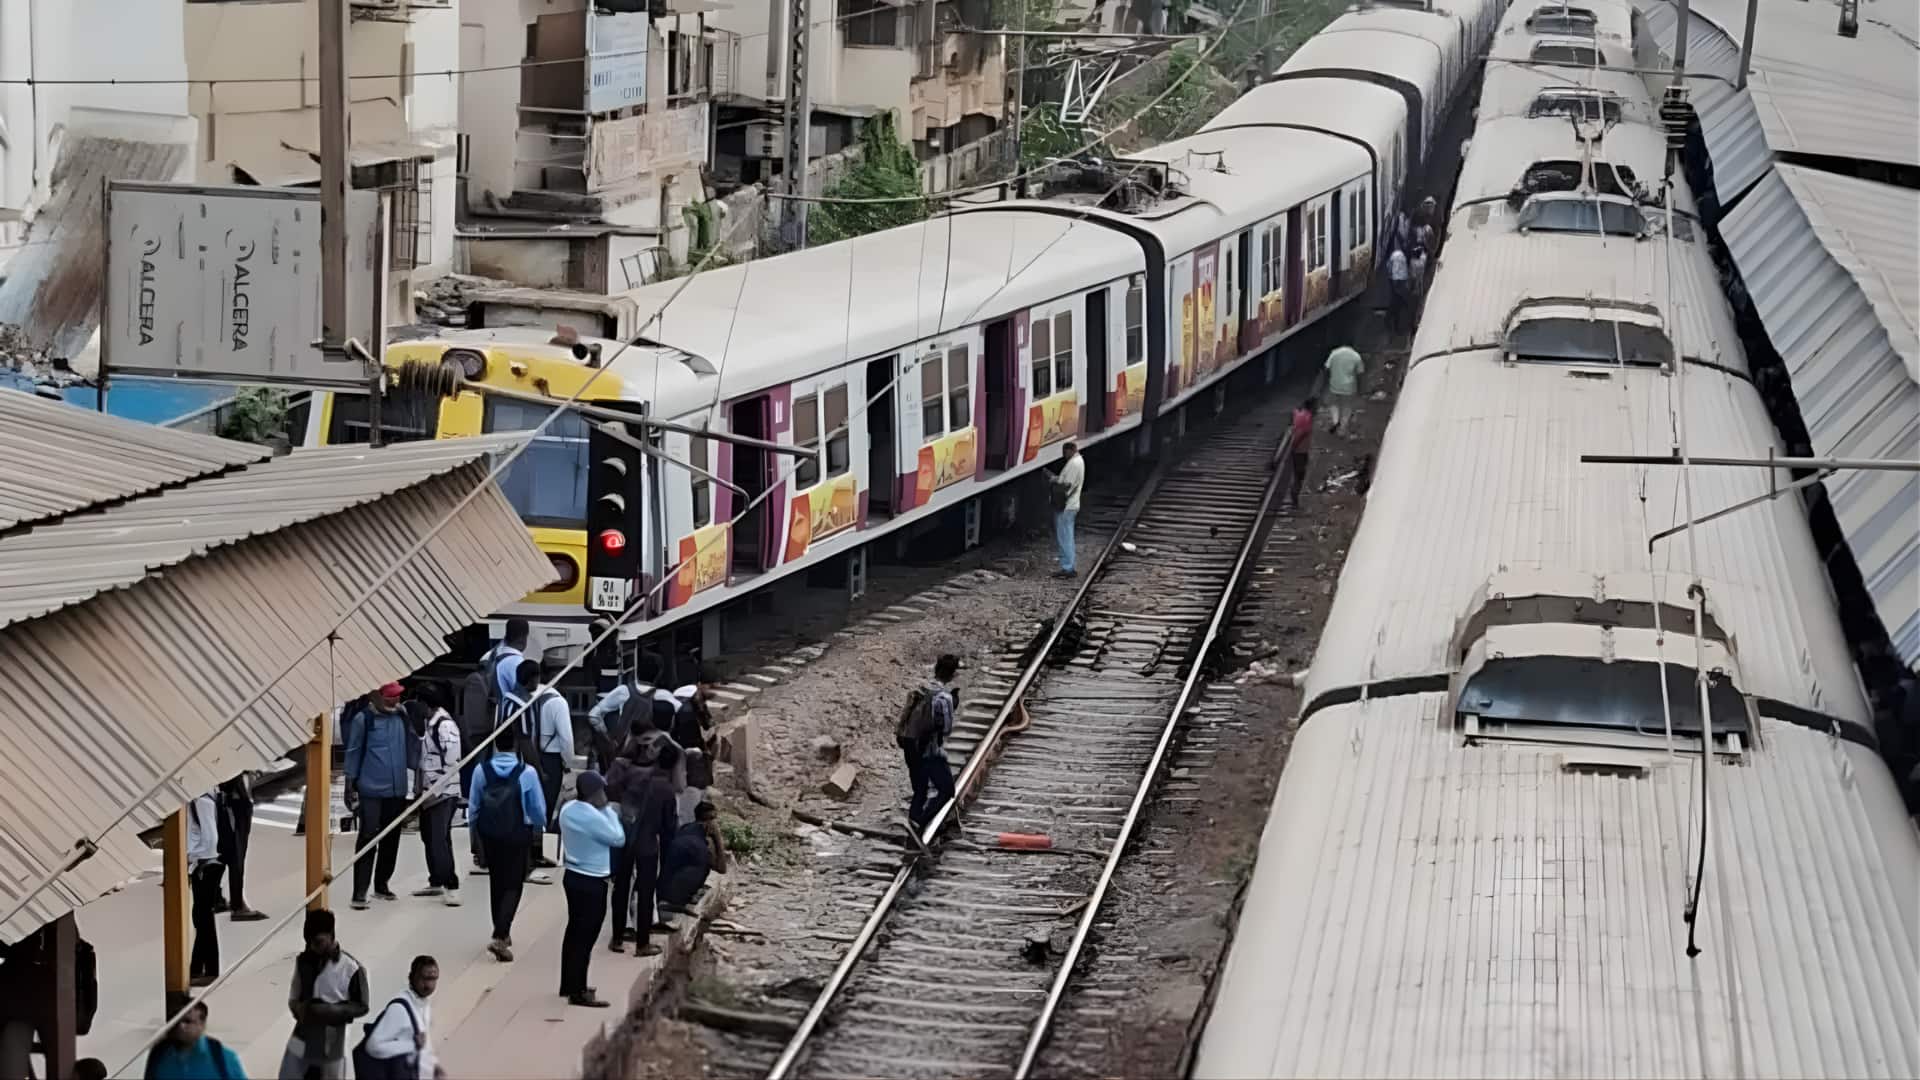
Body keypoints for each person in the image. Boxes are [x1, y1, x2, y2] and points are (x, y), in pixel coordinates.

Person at [468, 727, 547, 963]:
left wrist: (475, 837)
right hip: (517, 834)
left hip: (490, 834)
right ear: (516, 746)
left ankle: (501, 930)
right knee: (514, 883)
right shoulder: (527, 773)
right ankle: (501, 934)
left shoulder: (481, 771)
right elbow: (537, 808)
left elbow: (473, 807)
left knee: (497, 881)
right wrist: (538, 827)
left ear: (496, 745)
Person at [346, 683, 419, 911]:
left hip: (396, 790)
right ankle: (359, 891)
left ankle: (382, 884)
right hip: (371, 790)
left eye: (397, 696)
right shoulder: (363, 720)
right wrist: (350, 784)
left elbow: (413, 745)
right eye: (389, 698)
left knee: (392, 838)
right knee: (368, 838)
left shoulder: (401, 717)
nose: (394, 702)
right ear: (376, 696)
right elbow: (354, 752)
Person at [606, 740, 681, 956]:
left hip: (625, 839)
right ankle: (642, 944)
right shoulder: (666, 790)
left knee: (621, 889)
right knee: (646, 893)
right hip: (648, 845)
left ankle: (617, 938)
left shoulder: (632, 773)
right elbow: (668, 828)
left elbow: (618, 799)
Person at [557, 772, 624, 1007]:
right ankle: (579, 991)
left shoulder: (568, 809)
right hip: (592, 881)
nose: (604, 796)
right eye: (601, 792)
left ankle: (568, 983)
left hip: (572, 876)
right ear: (593, 794)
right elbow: (618, 838)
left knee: (573, 932)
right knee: (586, 937)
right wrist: (608, 811)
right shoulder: (592, 816)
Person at [280, 909, 368, 1080]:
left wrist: (330, 1010)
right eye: (310, 942)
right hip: (302, 1035)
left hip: (333, 1040)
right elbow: (294, 998)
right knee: (289, 1074)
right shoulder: (303, 961)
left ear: (331, 935)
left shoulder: (351, 968)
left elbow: (362, 1005)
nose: (313, 947)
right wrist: (302, 1009)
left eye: (318, 942)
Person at [510, 659, 573, 850]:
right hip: (550, 760)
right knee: (544, 804)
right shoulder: (558, 702)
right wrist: (568, 763)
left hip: (526, 755)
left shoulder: (527, 695)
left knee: (527, 802)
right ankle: (539, 847)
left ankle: (526, 843)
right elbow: (566, 739)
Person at [895, 655, 960, 830]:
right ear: (952, 674)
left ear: (935, 669)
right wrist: (953, 705)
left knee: (920, 790)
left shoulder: (919, 690)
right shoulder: (944, 698)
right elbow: (946, 729)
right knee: (947, 790)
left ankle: (913, 822)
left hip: (909, 743)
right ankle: (921, 823)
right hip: (928, 749)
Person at [411, 695, 463, 906]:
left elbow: (453, 761)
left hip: (442, 793)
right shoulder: (428, 723)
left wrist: (437, 790)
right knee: (428, 836)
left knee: (439, 838)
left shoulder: (445, 726)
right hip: (427, 792)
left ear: (426, 704)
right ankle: (436, 880)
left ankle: (452, 884)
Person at [358, 955, 443, 1080]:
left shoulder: (421, 1004)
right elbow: (373, 1046)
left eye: (433, 979)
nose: (429, 985)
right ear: (412, 977)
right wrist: (411, 1044)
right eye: (425, 978)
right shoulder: (400, 1008)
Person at [144, 1001, 245, 1080]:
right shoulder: (158, 1054)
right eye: (176, 1020)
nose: (180, 1026)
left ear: (202, 1024)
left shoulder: (223, 1058)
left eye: (187, 1021)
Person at [659, 801, 729, 913]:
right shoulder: (699, 846)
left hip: (663, 890)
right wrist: (717, 838)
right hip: (675, 898)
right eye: (714, 819)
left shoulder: (685, 829)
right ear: (710, 822)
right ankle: (682, 900)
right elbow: (722, 868)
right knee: (703, 866)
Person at [214, 775, 266, 922]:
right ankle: (237, 905)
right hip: (236, 805)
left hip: (233, 804)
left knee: (224, 853)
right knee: (236, 856)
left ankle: (216, 898)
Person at [186, 790, 222, 987]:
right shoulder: (202, 799)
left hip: (206, 865)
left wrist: (194, 858)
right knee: (201, 917)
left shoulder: (201, 801)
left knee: (203, 918)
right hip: (205, 863)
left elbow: (210, 839)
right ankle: (197, 967)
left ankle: (210, 969)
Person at [1050, 442, 1086, 578]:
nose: (1064, 455)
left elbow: (1066, 485)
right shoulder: (1079, 461)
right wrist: (1057, 478)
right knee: (1067, 536)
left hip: (1066, 506)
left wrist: (1054, 481)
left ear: (1071, 450)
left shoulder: (1073, 464)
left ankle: (1067, 567)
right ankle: (1068, 566)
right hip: (1072, 505)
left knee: (1064, 537)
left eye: (1065, 452)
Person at [1323, 345, 1365, 436]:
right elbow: (1360, 372)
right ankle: (1342, 428)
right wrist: (1361, 388)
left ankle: (1335, 421)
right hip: (1349, 388)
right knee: (1347, 407)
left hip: (1334, 386)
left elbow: (1326, 368)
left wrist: (1329, 379)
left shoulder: (1334, 353)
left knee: (1333, 404)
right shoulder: (1356, 356)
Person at [1286, 397, 1315, 510]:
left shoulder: (1297, 413)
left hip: (1298, 450)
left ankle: (1294, 499)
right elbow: (1301, 434)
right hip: (1301, 450)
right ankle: (1295, 501)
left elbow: (1294, 427)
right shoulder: (1307, 417)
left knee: (1298, 474)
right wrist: (1293, 446)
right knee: (1299, 476)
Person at [1385, 246, 1411, 333]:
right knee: (1396, 302)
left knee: (1395, 301)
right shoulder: (1401, 256)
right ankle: (1391, 321)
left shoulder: (1393, 255)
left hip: (1394, 280)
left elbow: (1388, 266)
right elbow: (1401, 269)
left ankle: (1390, 321)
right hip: (1399, 280)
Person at [1410, 244, 1429, 309]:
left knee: (1418, 289)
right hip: (1418, 276)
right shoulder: (1420, 259)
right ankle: (1419, 304)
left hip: (1417, 277)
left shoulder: (1414, 260)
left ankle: (1418, 304)